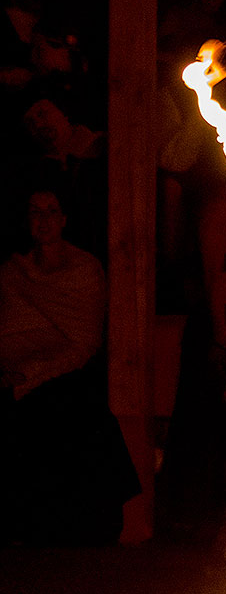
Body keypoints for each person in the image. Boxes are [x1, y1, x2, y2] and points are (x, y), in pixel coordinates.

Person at [0, 188, 139, 544]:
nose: (43, 219)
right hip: (11, 375)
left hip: (61, 373)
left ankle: (89, 529)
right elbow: (10, 330)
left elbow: (82, 342)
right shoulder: (12, 272)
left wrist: (29, 375)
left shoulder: (83, 270)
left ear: (63, 220)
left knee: (79, 412)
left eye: (51, 211)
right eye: (35, 211)